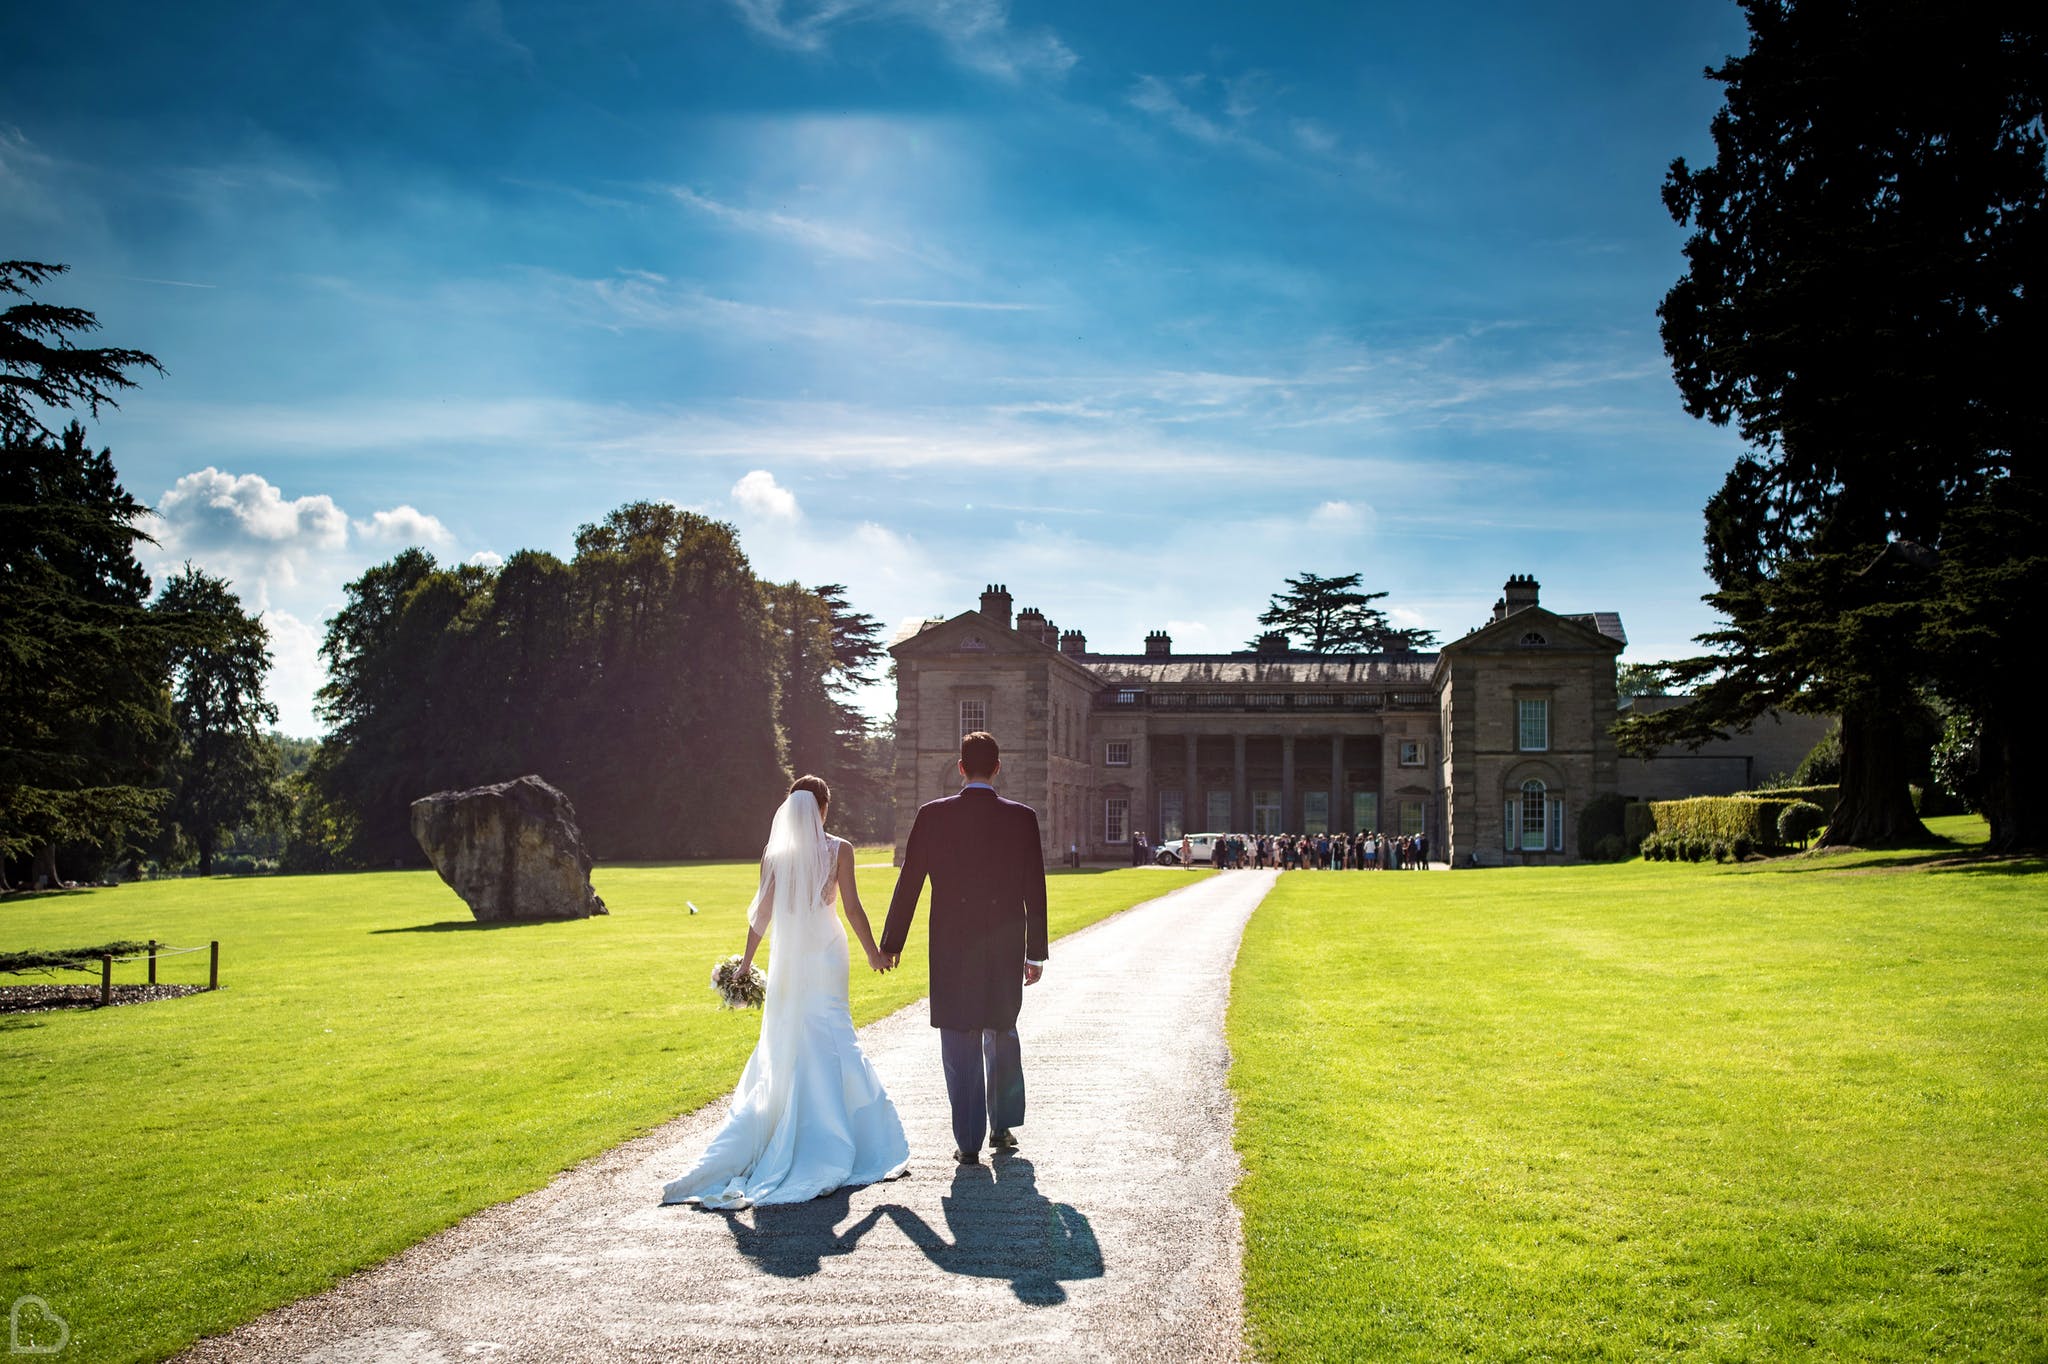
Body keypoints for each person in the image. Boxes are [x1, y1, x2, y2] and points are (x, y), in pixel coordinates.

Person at [661, 776, 908, 1208]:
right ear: (824, 808)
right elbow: (850, 907)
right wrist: (873, 952)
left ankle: (792, 1130)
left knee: (793, 1036)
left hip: (790, 962)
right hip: (828, 955)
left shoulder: (774, 855)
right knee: (833, 1032)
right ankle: (837, 1136)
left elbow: (762, 914)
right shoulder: (839, 849)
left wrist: (744, 962)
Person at [882, 731, 1049, 1165]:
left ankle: (969, 1142)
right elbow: (1036, 888)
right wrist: (1036, 952)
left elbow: (910, 882)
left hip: (953, 946)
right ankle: (1004, 1126)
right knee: (1002, 1029)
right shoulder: (1022, 817)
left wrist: (892, 941)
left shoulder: (932, 815)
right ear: (998, 768)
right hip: (1006, 943)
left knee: (960, 1039)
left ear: (960, 767)